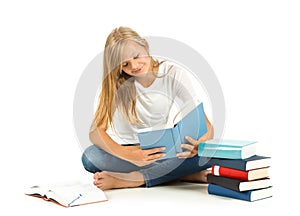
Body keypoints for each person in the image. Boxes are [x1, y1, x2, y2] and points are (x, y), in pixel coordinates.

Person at [81, 26, 214, 191]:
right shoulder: (115, 84)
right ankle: (180, 175)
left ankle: (135, 179)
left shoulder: (173, 73)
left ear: (145, 45)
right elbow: (95, 132)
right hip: (130, 153)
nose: (134, 66)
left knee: (210, 154)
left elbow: (207, 126)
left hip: (164, 150)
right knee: (90, 157)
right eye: (125, 64)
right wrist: (128, 154)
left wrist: (200, 144)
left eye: (136, 56)